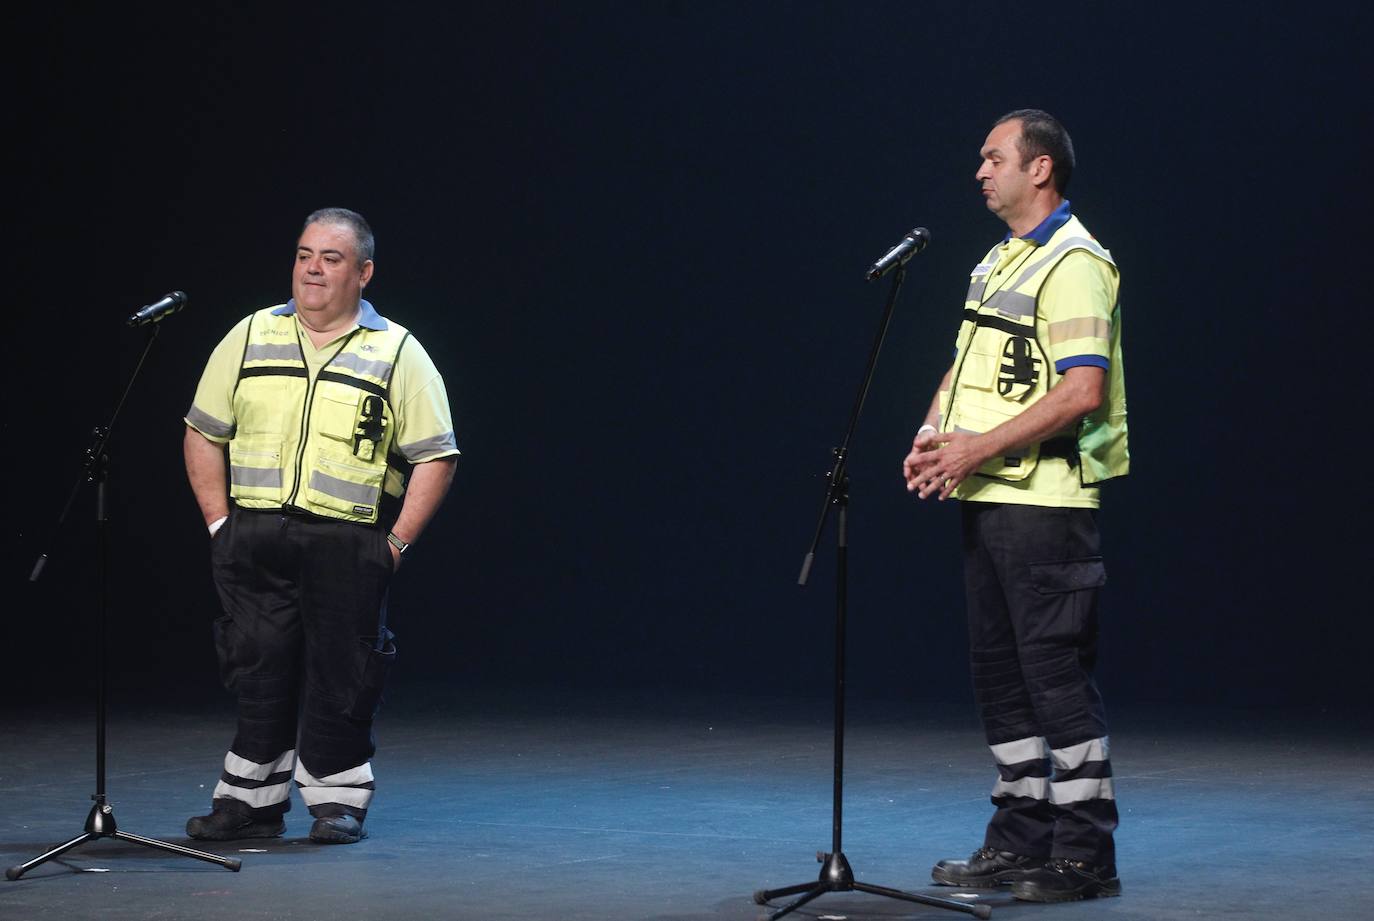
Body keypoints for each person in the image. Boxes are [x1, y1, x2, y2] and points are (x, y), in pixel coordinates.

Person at [901, 110, 1129, 902]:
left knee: (1054, 676)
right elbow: (964, 364)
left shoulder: (1075, 261)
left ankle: (1085, 854)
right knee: (1000, 676)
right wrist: (934, 433)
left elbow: (1082, 389)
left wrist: (976, 448)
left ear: (1040, 168)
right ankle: (1020, 838)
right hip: (991, 496)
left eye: (993, 157)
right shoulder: (999, 259)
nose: (979, 171)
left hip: (1045, 504)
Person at [182, 208, 458, 845]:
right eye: (305, 254)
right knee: (257, 669)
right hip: (253, 537)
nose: (312, 268)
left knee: (344, 674)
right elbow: (202, 430)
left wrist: (395, 545)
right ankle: (249, 802)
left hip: (347, 541)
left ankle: (338, 802)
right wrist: (219, 523)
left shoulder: (397, 351)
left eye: (331, 259)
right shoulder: (250, 335)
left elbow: (437, 455)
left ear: (363, 273)